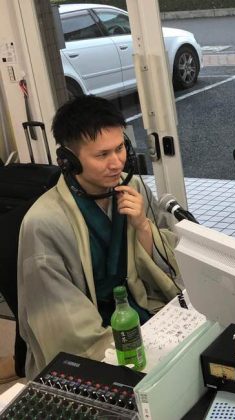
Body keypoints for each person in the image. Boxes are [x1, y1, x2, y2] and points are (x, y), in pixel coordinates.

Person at [17, 95, 181, 378]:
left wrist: (143, 226)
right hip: (95, 337)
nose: (116, 163)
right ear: (68, 160)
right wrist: (122, 358)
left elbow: (171, 261)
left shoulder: (133, 187)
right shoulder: (43, 223)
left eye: (120, 148)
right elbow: (62, 321)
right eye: (102, 155)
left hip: (141, 311)